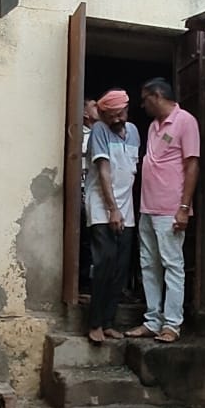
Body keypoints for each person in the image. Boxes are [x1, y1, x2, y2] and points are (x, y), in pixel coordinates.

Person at [126, 78, 200, 343]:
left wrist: (184, 207)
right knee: (149, 265)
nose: (142, 105)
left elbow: (192, 165)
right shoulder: (154, 126)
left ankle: (172, 324)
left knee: (172, 265)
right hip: (148, 207)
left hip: (170, 208)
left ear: (157, 96)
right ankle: (152, 320)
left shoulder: (185, 121)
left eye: (145, 99)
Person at [84, 89, 140, 344]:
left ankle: (108, 322)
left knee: (120, 267)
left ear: (127, 110)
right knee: (104, 262)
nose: (117, 119)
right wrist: (112, 209)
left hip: (126, 209)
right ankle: (94, 323)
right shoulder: (99, 130)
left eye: (120, 114)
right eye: (111, 115)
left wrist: (123, 210)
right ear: (103, 115)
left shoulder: (134, 132)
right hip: (102, 207)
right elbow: (104, 171)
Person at [78, 99, 98, 300]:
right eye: (94, 106)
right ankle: (84, 282)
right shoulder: (80, 136)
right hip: (82, 191)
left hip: (98, 193)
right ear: (84, 113)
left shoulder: (103, 133)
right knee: (85, 240)